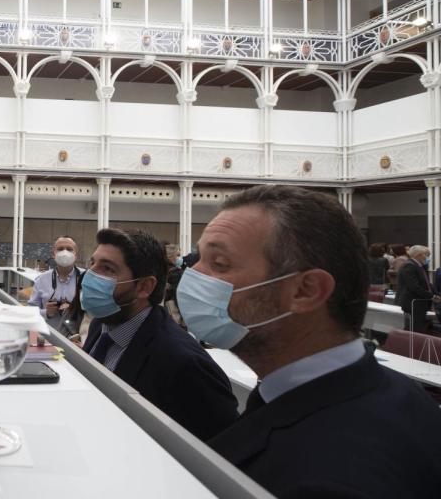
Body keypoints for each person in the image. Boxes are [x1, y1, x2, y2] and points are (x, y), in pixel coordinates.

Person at [177, 185, 441, 497]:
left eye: (219, 263)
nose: (192, 275)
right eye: (199, 258)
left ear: (306, 291)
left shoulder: (333, 481)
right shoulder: (388, 390)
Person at [81, 228, 238, 440]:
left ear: (144, 286)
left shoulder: (184, 364)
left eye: (107, 269)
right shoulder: (101, 325)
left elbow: (219, 454)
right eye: (93, 264)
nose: (89, 275)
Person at [27, 236, 85, 337]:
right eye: (60, 249)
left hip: (77, 337)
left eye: (69, 249)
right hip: (49, 337)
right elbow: (30, 312)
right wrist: (47, 312)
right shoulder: (41, 280)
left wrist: (74, 308)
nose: (65, 252)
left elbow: (94, 313)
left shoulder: (86, 277)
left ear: (76, 254)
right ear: (53, 254)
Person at [396, 245, 439, 333]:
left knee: (418, 327)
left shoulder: (417, 265)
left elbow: (426, 283)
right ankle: (414, 346)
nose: (427, 257)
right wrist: (432, 296)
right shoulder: (409, 265)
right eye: (425, 255)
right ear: (418, 255)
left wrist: (435, 294)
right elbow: (414, 287)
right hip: (413, 302)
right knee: (415, 329)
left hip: (418, 302)